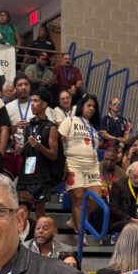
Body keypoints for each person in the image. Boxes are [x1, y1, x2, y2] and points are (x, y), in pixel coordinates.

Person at [58, 95, 103, 236]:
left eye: (94, 106)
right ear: (81, 106)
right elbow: (60, 141)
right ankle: (80, 234)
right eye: (88, 105)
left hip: (92, 166)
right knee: (78, 199)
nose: (91, 109)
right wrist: (63, 162)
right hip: (73, 164)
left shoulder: (94, 128)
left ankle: (75, 219)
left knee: (96, 199)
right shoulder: (70, 120)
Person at [17, 88, 59, 219]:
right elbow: (26, 150)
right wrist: (20, 149)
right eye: (31, 101)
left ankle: (45, 231)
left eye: (35, 101)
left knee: (39, 210)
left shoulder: (51, 127)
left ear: (44, 104)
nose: (32, 104)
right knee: (22, 209)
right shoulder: (28, 126)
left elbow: (54, 155)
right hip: (26, 173)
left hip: (41, 175)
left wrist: (38, 146)